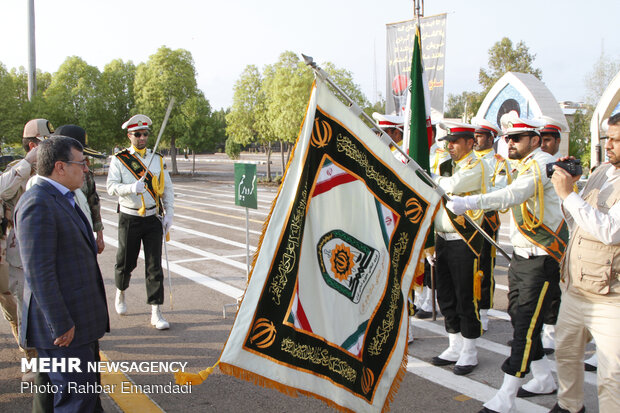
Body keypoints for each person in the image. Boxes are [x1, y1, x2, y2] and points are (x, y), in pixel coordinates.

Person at [448, 111, 566, 413]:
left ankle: (506, 394)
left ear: (535, 140)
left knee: (524, 327)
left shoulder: (541, 165)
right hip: (523, 257)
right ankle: (542, 378)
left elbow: (512, 195)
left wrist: (472, 202)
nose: (509, 142)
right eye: (508, 137)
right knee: (520, 319)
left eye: (516, 137)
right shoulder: (521, 164)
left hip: (542, 258)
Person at [15, 136, 109, 412]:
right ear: (60, 167)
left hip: (79, 324)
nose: (86, 169)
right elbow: (38, 272)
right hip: (64, 331)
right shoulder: (38, 203)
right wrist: (60, 323)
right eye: (81, 163)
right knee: (75, 402)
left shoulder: (62, 197)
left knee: (87, 395)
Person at [548, 113, 620, 413]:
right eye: (608, 138)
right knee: (565, 354)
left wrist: (568, 195)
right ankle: (569, 407)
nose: (609, 145)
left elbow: (610, 231)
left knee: (611, 377)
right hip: (577, 288)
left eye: (616, 140)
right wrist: (571, 191)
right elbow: (578, 224)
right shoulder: (604, 172)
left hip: (610, 298)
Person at [429, 121, 487, 376]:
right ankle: (454, 345)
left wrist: (428, 177)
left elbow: (450, 187)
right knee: (446, 296)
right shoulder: (446, 167)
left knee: (466, 297)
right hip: (443, 239)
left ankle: (470, 350)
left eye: (455, 141)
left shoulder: (476, 166)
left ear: (470, 142)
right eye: (448, 142)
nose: (450, 146)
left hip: (464, 241)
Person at [107, 114, 174, 330]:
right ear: (130, 135)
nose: (142, 137)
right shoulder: (119, 160)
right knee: (126, 261)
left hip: (153, 217)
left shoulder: (157, 159)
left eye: (145, 134)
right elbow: (110, 187)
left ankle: (156, 311)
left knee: (155, 266)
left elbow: (168, 189)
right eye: (138, 134)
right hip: (130, 217)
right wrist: (130, 188)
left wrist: (170, 214)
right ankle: (121, 291)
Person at [0, 119, 52, 380]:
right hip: (19, 250)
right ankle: (31, 355)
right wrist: (26, 164)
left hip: (48, 247)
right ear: (33, 146)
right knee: (23, 304)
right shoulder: (16, 171)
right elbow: (1, 189)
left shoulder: (54, 169)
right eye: (45, 144)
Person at [52, 125, 107, 253]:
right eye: (81, 161)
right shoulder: (43, 185)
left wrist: (99, 234)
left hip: (84, 237)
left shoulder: (86, 174)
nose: (86, 167)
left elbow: (93, 200)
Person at [471, 118, 502, 331]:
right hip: (466, 219)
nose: (475, 139)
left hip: (486, 220)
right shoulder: (469, 159)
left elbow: (499, 191)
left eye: (480, 135)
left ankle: (483, 310)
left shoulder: (499, 162)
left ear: (491, 138)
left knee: (484, 266)